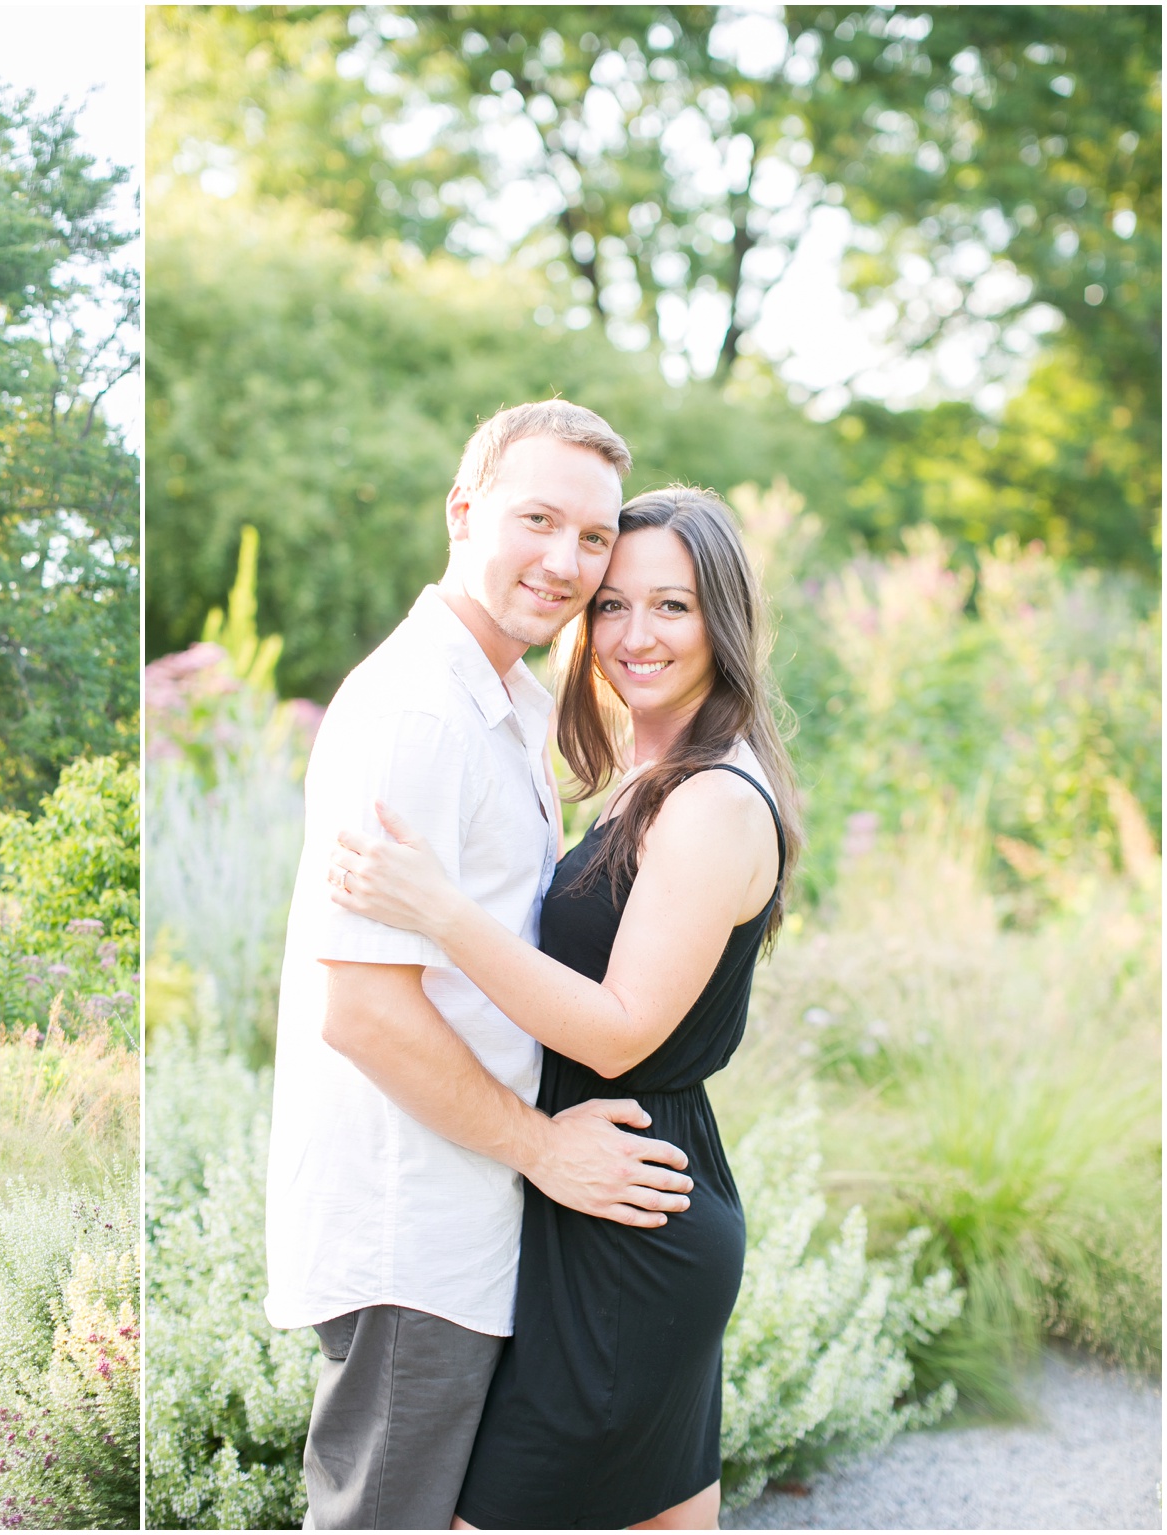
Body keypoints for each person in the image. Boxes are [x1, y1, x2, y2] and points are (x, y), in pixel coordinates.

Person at [328, 486, 802, 1530]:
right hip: (606, 1197)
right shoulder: (642, 774)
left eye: (670, 606)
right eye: (611, 604)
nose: (635, 634)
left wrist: (442, 913)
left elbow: (619, 1025)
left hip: (629, 1221)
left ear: (720, 619)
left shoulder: (712, 800)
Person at [265, 401, 698, 1532]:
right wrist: (542, 1148)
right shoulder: (417, 711)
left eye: (592, 538)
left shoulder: (499, 697)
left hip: (463, 1210)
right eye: (535, 519)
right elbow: (358, 1009)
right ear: (463, 511)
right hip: (411, 1222)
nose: (563, 562)